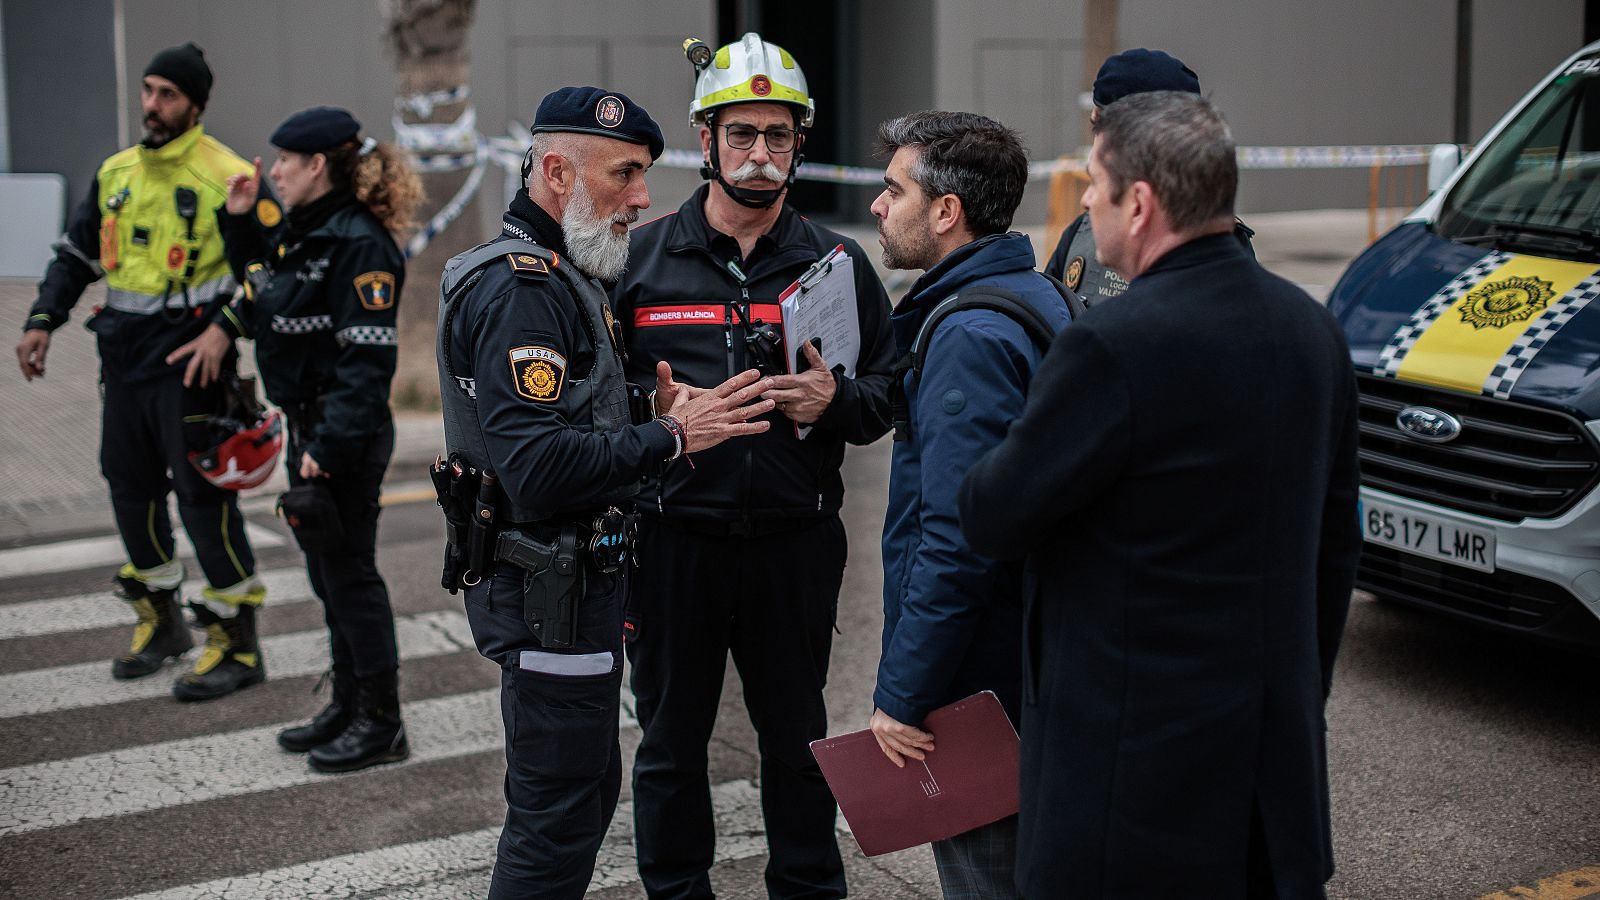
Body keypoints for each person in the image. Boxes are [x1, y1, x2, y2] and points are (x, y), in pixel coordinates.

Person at [958, 92, 1361, 898]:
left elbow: (993, 514)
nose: (1087, 212)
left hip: (1132, 796)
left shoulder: (1112, 344)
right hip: (1268, 777)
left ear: (1139, 205)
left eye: (1095, 192)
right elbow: (1334, 543)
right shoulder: (1310, 329)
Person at [435, 85, 777, 900]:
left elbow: (561, 414)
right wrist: (672, 437)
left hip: (575, 590)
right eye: (624, 174)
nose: (641, 197)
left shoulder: (565, 272)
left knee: (581, 799)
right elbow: (538, 466)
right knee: (556, 820)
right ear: (557, 171)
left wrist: (643, 408)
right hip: (550, 591)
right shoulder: (523, 288)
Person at [612, 33, 895, 900]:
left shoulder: (838, 263)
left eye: (779, 136)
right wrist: (651, 410)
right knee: (669, 745)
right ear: (708, 141)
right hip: (672, 545)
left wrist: (834, 405)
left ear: (799, 144)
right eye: (743, 135)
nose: (761, 154)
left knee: (798, 743)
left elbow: (888, 391)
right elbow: (589, 398)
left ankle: (807, 889)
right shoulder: (637, 261)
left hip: (794, 548)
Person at [168, 107, 422, 773]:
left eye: (284, 160)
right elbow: (268, 295)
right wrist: (241, 221)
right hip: (311, 427)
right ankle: (347, 703)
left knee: (350, 575)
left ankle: (381, 720)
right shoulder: (309, 231)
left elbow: (367, 366)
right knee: (326, 573)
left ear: (318, 165)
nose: (273, 168)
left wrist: (329, 449)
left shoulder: (359, 243)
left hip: (343, 433)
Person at [13, 43, 269, 701]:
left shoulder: (229, 176)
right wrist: (42, 319)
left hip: (191, 366)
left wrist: (226, 329)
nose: (152, 105)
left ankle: (237, 641)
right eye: (149, 91)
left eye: (167, 95)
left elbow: (269, 273)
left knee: (202, 501)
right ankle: (162, 625)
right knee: (130, 490)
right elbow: (75, 255)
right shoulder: (116, 172)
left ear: (195, 104)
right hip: (122, 364)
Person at [867, 110, 1071, 900]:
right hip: (1027, 657)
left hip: (980, 682)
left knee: (989, 878)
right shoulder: (1034, 295)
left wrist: (903, 693)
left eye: (895, 190)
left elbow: (956, 536)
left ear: (946, 211)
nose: (881, 206)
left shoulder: (971, 335)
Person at [1042, 48, 1254, 305]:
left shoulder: (1220, 253)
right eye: (1094, 126)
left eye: (1102, 127)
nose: (1096, 145)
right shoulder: (1080, 233)